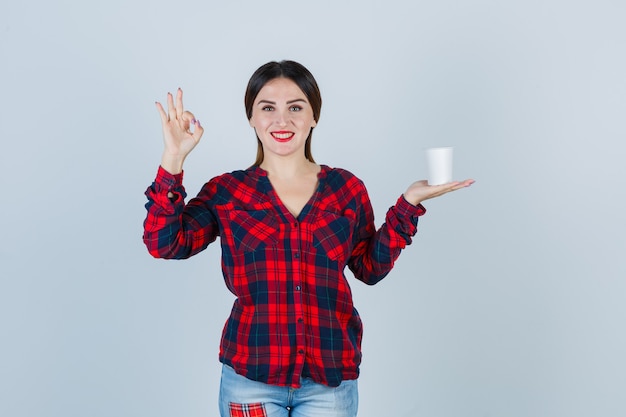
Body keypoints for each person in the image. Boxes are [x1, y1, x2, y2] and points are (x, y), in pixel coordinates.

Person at [143, 60, 474, 417]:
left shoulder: (346, 189)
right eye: (267, 108)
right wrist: (173, 159)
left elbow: (369, 268)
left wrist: (408, 205)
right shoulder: (227, 191)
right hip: (250, 380)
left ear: (314, 116)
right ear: (251, 117)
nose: (282, 121)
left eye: (295, 108)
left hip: (328, 382)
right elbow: (165, 244)